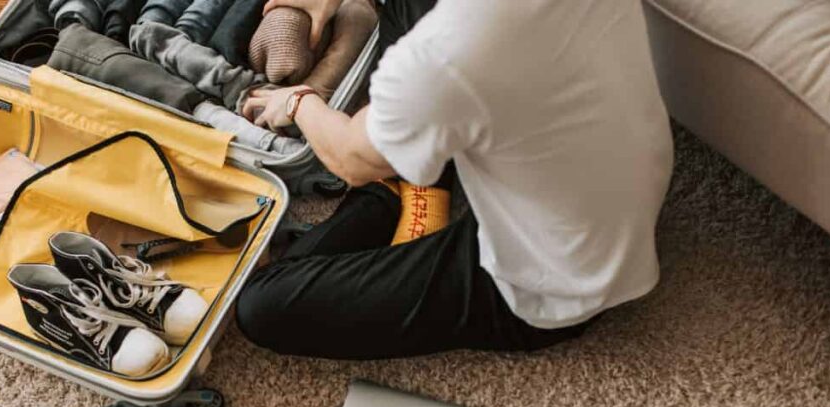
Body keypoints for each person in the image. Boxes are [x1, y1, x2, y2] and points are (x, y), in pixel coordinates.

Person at [234, 0, 675, 360]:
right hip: (617, 187)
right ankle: (411, 169)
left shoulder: (442, 57)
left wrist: (298, 103)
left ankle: (393, 191)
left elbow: (349, 158)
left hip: (554, 280)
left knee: (263, 302)